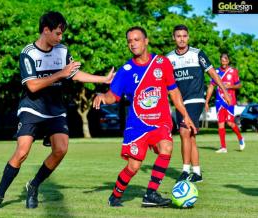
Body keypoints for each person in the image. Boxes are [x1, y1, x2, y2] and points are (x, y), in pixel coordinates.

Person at [0, 11, 114, 210]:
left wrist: (103, 79)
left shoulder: (62, 51)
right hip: (32, 108)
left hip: (55, 110)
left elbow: (74, 74)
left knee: (61, 149)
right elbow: (33, 86)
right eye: (58, 33)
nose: (61, 38)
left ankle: (34, 185)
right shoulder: (28, 53)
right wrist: (60, 73)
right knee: (21, 152)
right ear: (46, 31)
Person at [93, 26, 196, 207]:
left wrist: (185, 115)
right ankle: (115, 195)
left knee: (166, 146)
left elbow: (174, 92)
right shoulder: (125, 70)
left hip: (160, 121)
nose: (133, 44)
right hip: (137, 125)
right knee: (133, 167)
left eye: (136, 39)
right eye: (130, 41)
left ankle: (150, 194)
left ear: (146, 41)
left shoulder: (162, 63)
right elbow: (113, 96)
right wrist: (102, 97)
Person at [166, 24, 232, 183]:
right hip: (180, 102)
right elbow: (165, 82)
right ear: (174, 38)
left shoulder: (197, 54)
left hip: (195, 99)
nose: (182, 39)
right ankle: (197, 173)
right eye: (178, 36)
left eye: (184, 36)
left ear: (188, 37)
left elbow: (212, 73)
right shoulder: (169, 58)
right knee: (190, 136)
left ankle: (184, 171)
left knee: (183, 131)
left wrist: (223, 90)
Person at [205, 53, 245, 153]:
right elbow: (211, 87)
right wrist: (206, 101)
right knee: (221, 123)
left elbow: (239, 85)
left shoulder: (233, 71)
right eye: (222, 60)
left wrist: (230, 86)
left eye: (225, 60)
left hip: (230, 101)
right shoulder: (216, 72)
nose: (224, 62)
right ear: (220, 61)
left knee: (230, 123)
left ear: (228, 61)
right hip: (219, 101)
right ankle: (223, 147)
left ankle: (240, 138)